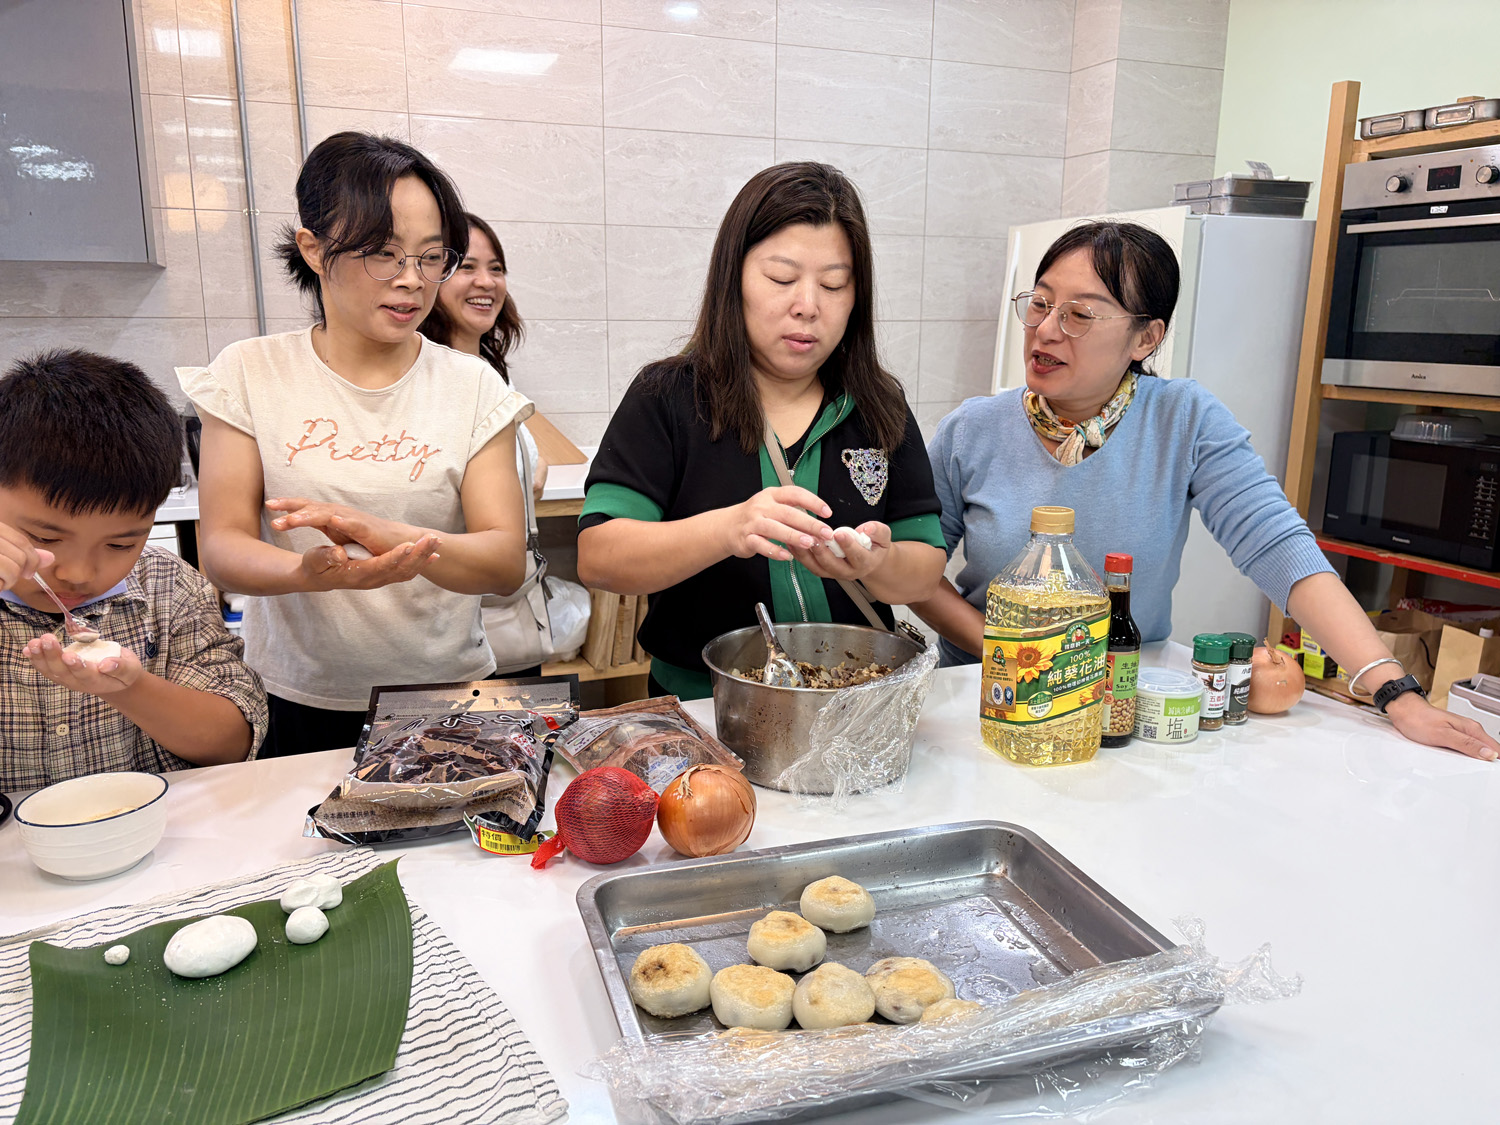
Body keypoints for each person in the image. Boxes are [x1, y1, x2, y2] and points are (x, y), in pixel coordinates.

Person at [913, 221, 1500, 761]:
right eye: (1040, 305)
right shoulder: (973, 428)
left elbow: (1277, 548)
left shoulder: (1184, 420)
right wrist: (1001, 651)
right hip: (984, 694)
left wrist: (1395, 691)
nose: (1045, 330)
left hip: (1124, 694)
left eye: (1080, 315)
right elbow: (914, 569)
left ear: (1146, 337)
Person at [180, 132, 533, 757]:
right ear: (314, 249)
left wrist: (381, 536)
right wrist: (304, 573)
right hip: (295, 697)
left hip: (444, 699)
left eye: (431, 258)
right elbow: (222, 548)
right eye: (383, 254)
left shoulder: (471, 384)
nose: (411, 281)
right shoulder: (249, 373)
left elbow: (504, 563)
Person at [576, 162, 947, 700]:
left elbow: (923, 572)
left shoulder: (878, 405)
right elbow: (600, 557)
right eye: (781, 278)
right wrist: (728, 529)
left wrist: (878, 562)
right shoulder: (669, 396)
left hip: (854, 698)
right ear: (735, 278)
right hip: (703, 704)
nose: (808, 305)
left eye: (834, 284)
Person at [0, 350, 266, 790]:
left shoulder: (170, 586)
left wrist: (127, 687)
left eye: (121, 543)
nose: (79, 573)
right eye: (46, 539)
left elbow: (231, 744)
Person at [419, 212, 549, 499]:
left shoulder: (492, 370)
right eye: (467, 267)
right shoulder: (420, 378)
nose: (487, 282)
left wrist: (534, 464)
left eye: (496, 268)